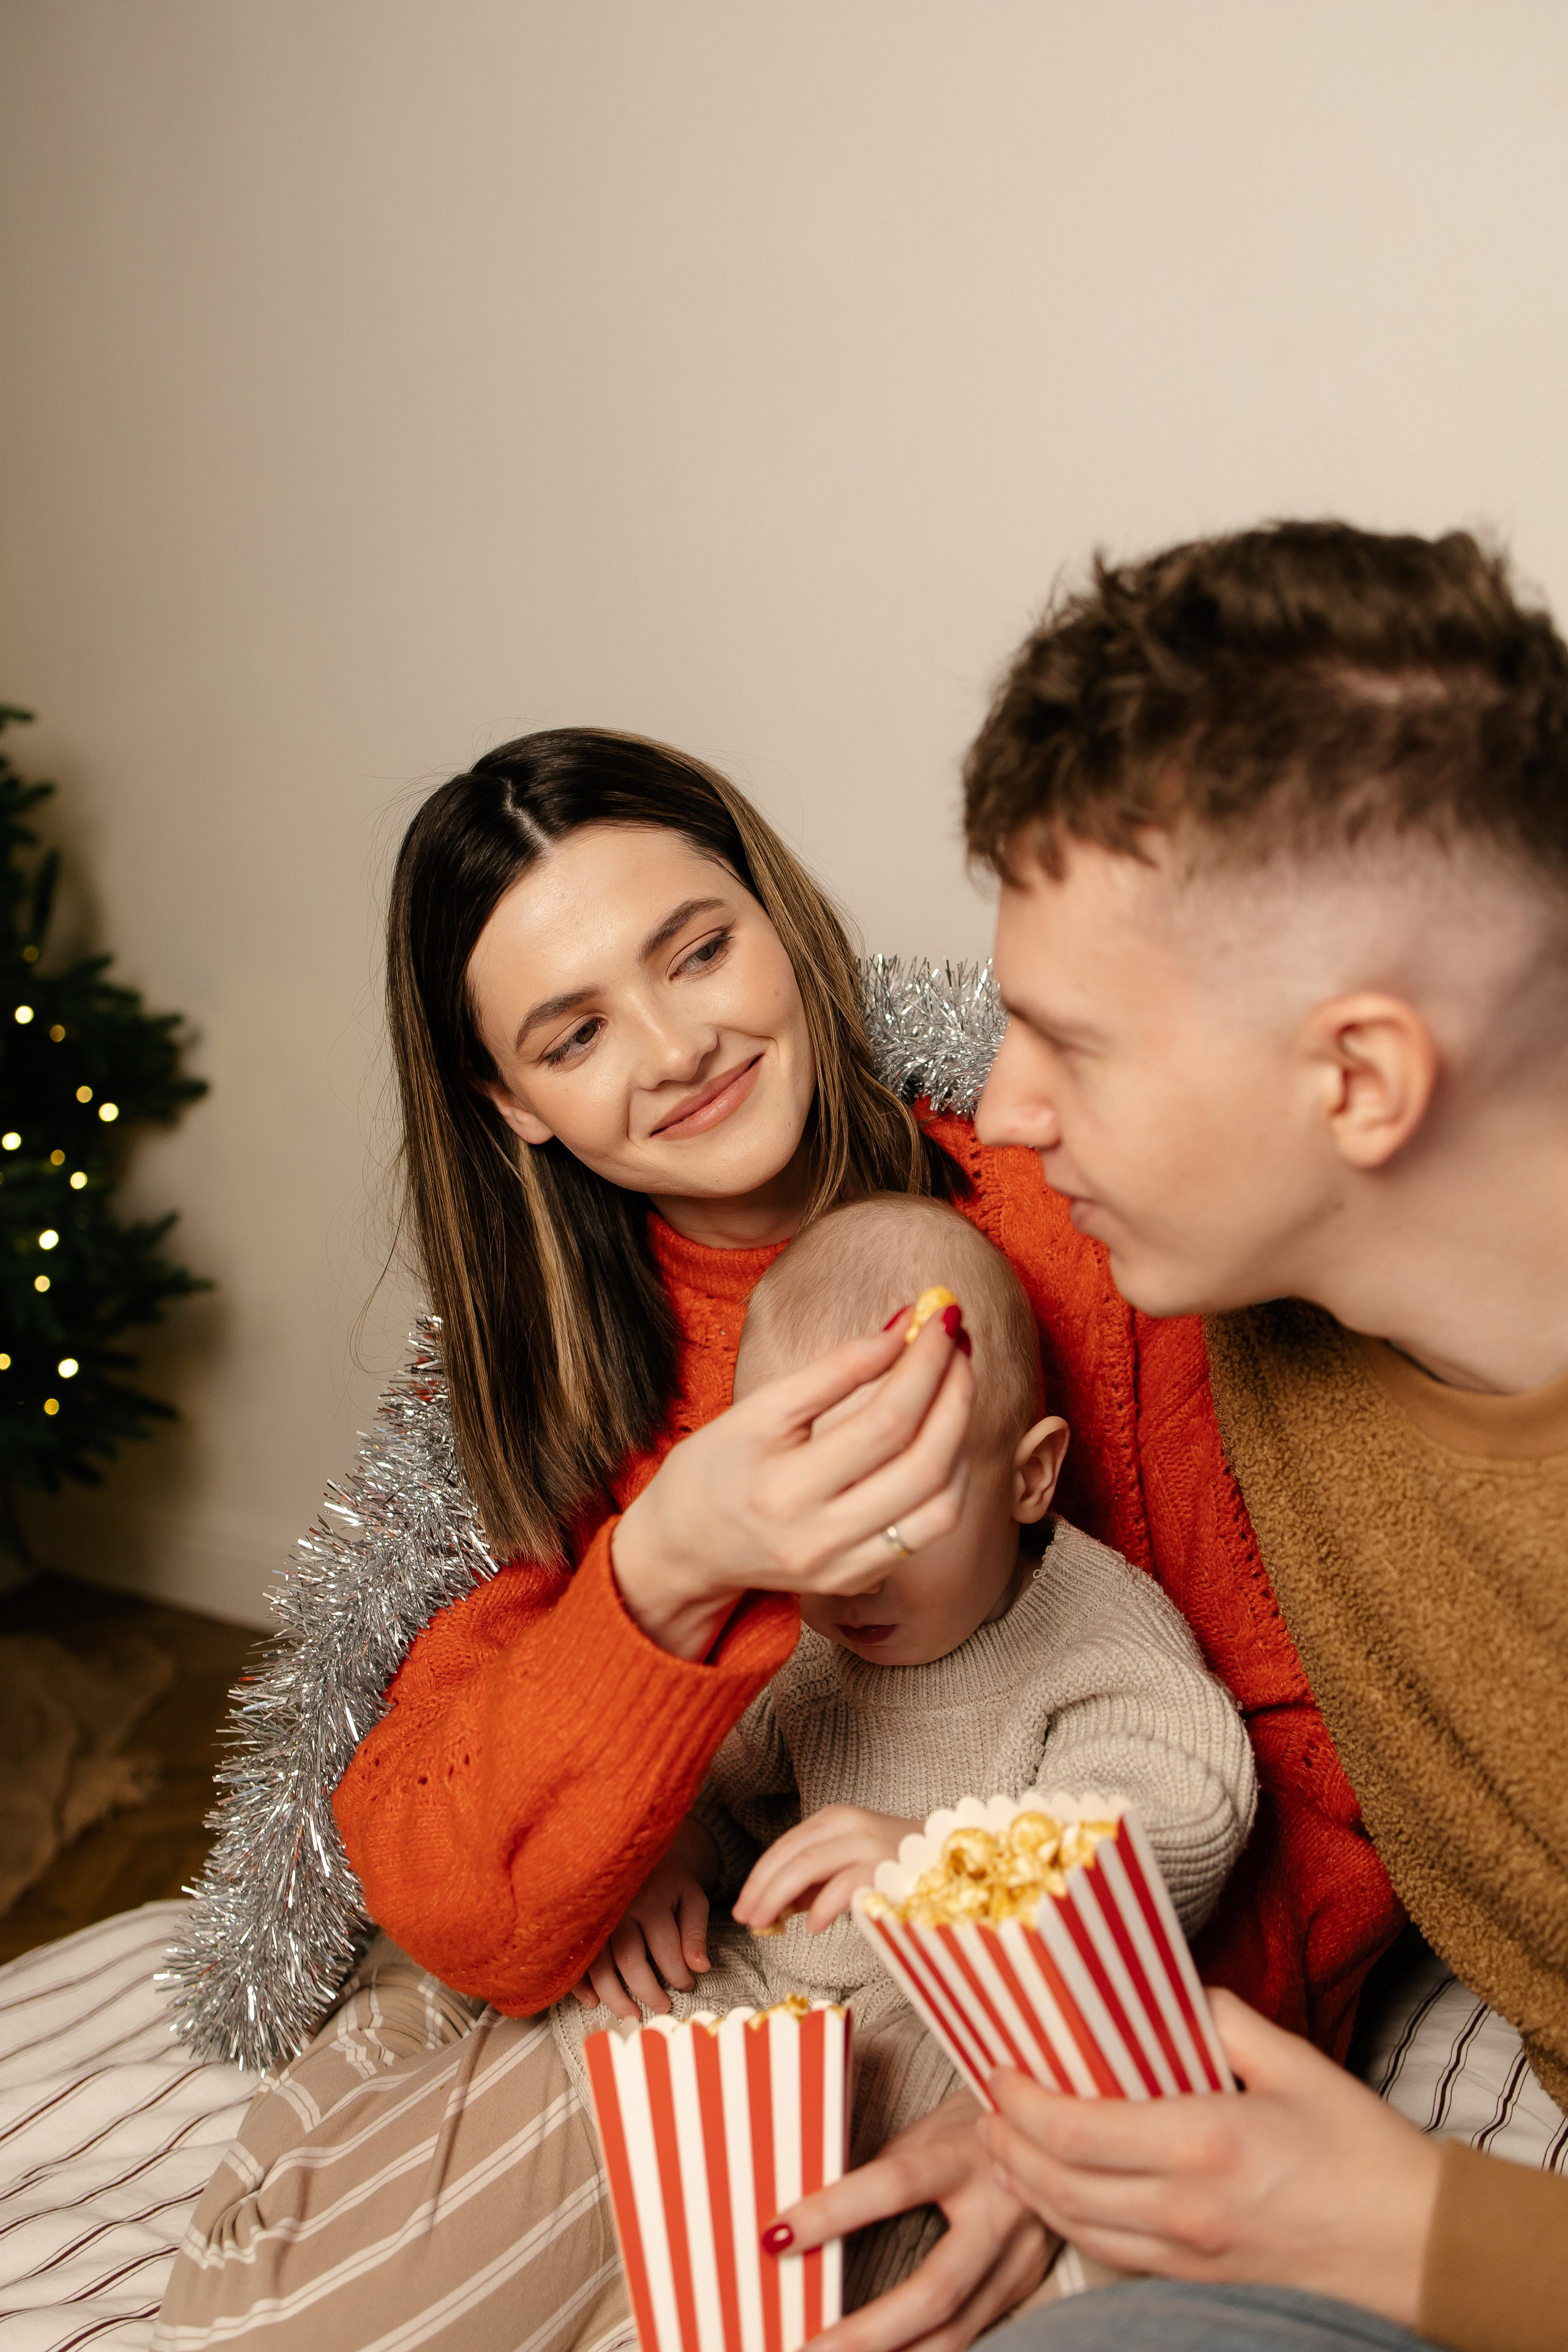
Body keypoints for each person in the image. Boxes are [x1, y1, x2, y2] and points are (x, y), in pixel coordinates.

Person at [155, 722, 1368, 2352]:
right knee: (331, 2257)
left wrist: (1076, 2098)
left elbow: (1299, 1756)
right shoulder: (543, 1387)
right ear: (510, 1101)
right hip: (731, 1989)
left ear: (779, 922)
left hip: (1036, 2011)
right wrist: (661, 1582)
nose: (676, 1049)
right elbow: (451, 1879)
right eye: (575, 1033)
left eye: (698, 951)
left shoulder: (1074, 1217)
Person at [771, 524, 1568, 2352]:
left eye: (1074, 1044)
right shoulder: (1252, 1311)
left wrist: (1414, 2230)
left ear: (1358, 1079)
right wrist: (1062, 2104)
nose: (1007, 1108)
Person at [555, 1193, 1256, 2310]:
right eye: (824, 1515)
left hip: (960, 2015)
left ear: (1029, 1477)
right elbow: (726, 1786)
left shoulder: (1091, 1633)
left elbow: (1175, 1817)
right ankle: (661, 2260)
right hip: (785, 1991)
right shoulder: (804, 1635)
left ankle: (816, 2293)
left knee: (963, 2111)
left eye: (904, 1511)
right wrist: (680, 1854)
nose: (854, 1574)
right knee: (617, 2011)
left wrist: (940, 1866)